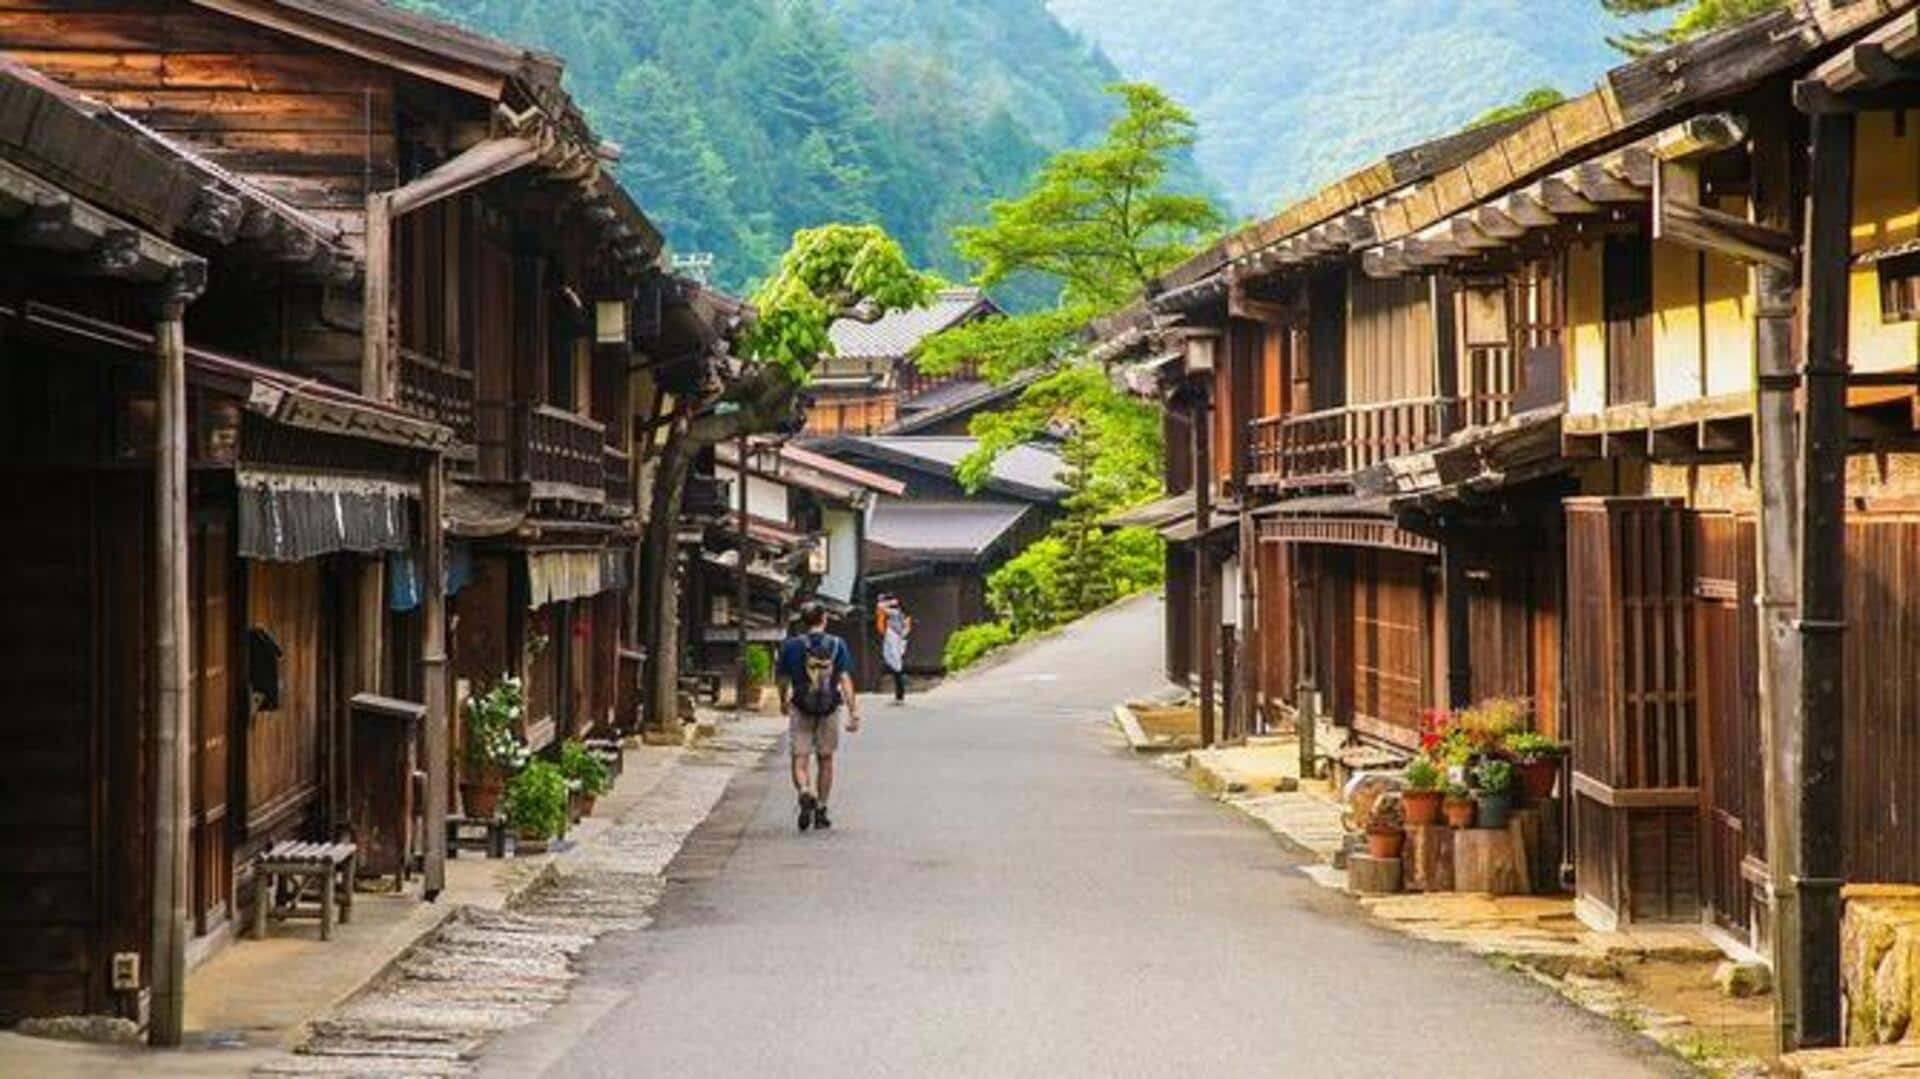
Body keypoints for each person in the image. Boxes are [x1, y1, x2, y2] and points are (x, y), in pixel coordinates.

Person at [777, 603, 859, 832]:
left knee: (800, 759)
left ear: (802, 620)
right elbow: (844, 679)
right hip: (829, 707)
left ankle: (805, 790)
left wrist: (783, 700)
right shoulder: (837, 644)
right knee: (825, 759)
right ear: (824, 618)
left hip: (801, 706)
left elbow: (783, 679)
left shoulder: (791, 646)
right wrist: (854, 712)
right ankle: (821, 809)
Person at [878, 594, 912, 705]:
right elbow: (906, 629)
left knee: (895, 665)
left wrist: (890, 602)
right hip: (900, 639)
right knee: (896, 665)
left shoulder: (895, 612)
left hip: (895, 638)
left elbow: (880, 607)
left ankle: (899, 696)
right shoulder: (903, 614)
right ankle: (900, 695)